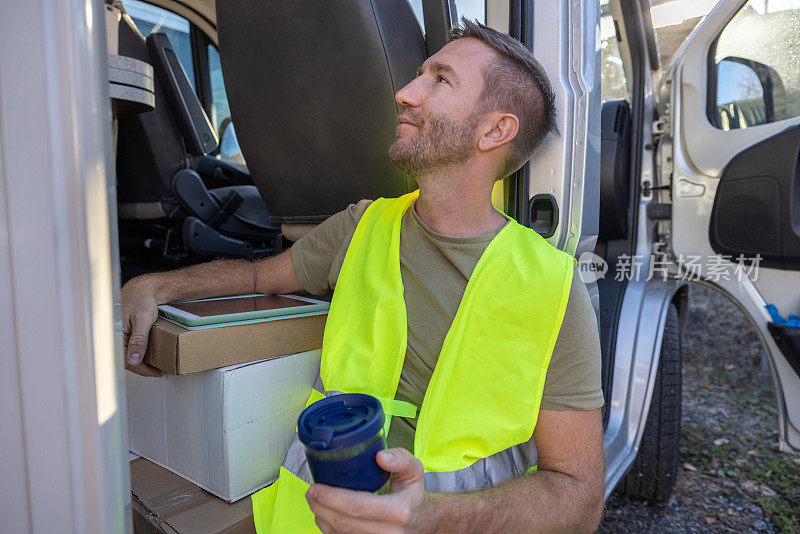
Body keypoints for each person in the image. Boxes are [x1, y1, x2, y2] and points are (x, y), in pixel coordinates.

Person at [122, 18, 604, 534]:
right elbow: (261, 276)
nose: (405, 93)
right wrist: (155, 286)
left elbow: (578, 494)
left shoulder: (554, 288)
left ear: (495, 131)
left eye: (439, 80)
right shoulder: (362, 226)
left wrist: (431, 518)